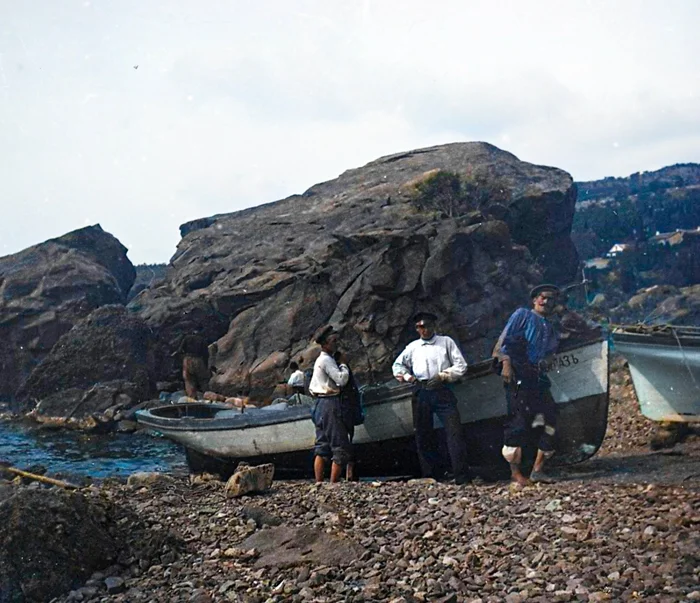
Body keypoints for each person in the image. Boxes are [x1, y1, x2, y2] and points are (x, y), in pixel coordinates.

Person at [392, 312, 471, 485]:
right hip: (421, 390)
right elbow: (397, 365)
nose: (424, 330)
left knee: (454, 431)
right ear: (416, 329)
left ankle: (461, 475)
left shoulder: (446, 342)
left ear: (433, 325)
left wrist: (443, 375)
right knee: (423, 433)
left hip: (442, 389)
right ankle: (432, 475)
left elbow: (461, 365)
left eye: (427, 326)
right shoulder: (413, 347)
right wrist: (408, 377)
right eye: (420, 327)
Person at [496, 284, 561, 486]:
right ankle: (515, 473)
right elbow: (503, 344)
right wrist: (506, 364)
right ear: (534, 300)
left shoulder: (550, 327)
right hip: (517, 371)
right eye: (543, 297)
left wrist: (548, 360)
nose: (546, 302)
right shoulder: (522, 315)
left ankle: (538, 469)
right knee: (518, 420)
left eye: (551, 299)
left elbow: (550, 353)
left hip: (536, 376)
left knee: (551, 417)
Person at [308, 325, 353, 483]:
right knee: (339, 445)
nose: (336, 344)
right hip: (330, 403)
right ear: (325, 343)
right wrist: (344, 364)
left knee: (322, 445)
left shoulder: (320, 360)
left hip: (319, 403)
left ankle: (319, 482)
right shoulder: (327, 360)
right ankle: (333, 483)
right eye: (333, 341)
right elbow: (341, 380)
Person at [174, 332, 210, 400]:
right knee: (203, 380)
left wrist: (183, 359)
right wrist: (206, 366)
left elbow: (180, 350)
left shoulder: (187, 338)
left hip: (187, 360)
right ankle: (208, 397)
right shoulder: (202, 339)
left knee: (189, 380)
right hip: (198, 360)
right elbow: (206, 354)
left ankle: (192, 399)